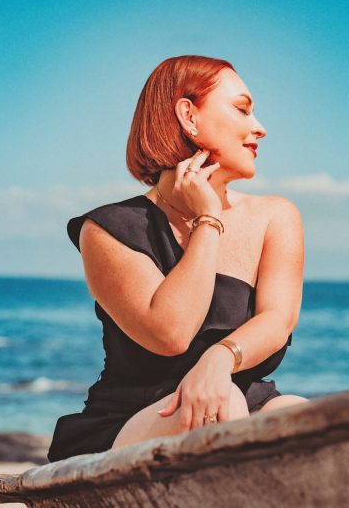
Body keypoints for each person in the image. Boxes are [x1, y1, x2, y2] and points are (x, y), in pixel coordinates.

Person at [47, 55, 308, 462]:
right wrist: (208, 219)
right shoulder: (105, 229)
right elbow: (171, 333)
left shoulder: (276, 216)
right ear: (189, 116)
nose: (260, 126)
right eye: (242, 109)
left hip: (244, 399)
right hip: (133, 419)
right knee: (217, 411)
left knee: (311, 421)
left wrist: (219, 359)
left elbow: (278, 321)